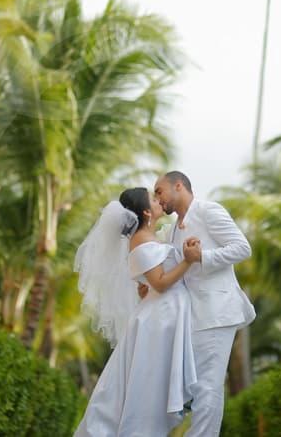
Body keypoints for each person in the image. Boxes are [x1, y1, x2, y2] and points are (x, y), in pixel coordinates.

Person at [73, 187, 203, 436]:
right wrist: (188, 260)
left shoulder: (150, 237)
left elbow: (151, 281)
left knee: (147, 386)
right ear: (146, 211)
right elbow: (161, 283)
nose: (158, 201)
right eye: (154, 199)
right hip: (158, 320)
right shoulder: (141, 240)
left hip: (162, 314)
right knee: (146, 389)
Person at [150, 171, 256, 437]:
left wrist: (202, 257)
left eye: (159, 191)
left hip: (218, 311)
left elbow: (242, 248)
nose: (157, 199)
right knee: (194, 387)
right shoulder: (173, 230)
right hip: (193, 317)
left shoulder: (209, 210)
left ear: (178, 186)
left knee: (208, 385)